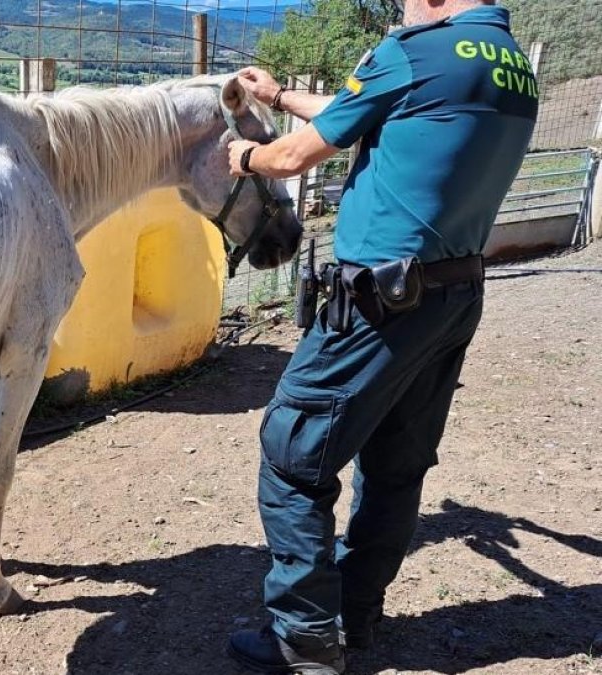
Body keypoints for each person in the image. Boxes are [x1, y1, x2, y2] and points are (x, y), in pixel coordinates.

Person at [221, 0, 538, 672]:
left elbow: (292, 158)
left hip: (381, 302)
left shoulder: (410, 52)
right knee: (395, 467)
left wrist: (243, 152)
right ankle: (356, 619)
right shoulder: (509, 65)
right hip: (454, 294)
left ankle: (306, 639)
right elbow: (372, 106)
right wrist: (278, 95)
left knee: (294, 453)